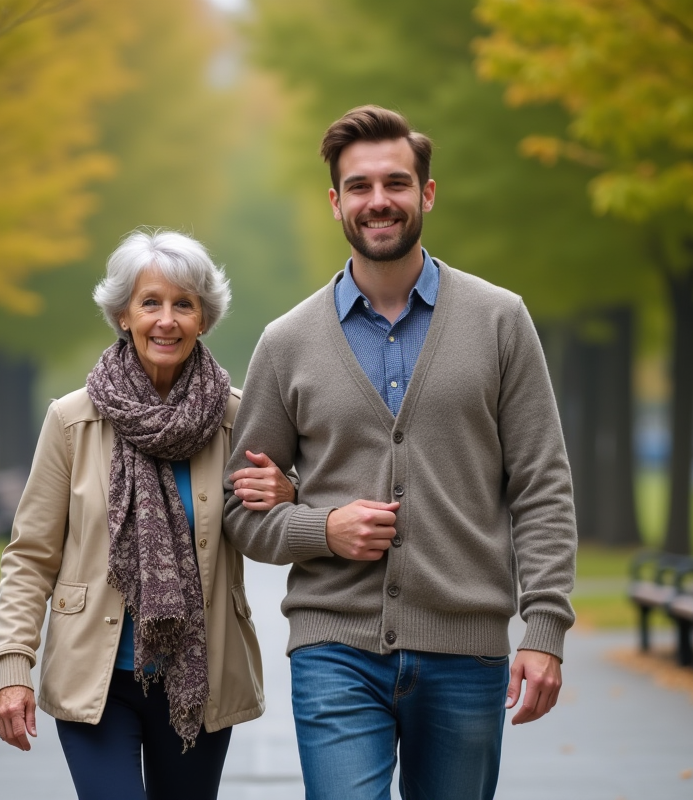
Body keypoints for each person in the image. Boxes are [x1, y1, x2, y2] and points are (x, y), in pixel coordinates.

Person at [223, 106, 578, 800]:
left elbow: (542, 485)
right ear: (335, 203)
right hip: (335, 647)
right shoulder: (287, 341)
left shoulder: (500, 320)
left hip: (465, 649)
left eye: (395, 182)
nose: (378, 201)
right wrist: (322, 529)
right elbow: (241, 511)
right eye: (358, 186)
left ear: (427, 193)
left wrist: (544, 627)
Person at [0, 229, 294, 800]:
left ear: (204, 318)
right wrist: (13, 668)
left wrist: (288, 494)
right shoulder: (72, 420)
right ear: (123, 315)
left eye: (184, 304)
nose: (167, 320)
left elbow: (271, 523)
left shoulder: (237, 417)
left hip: (201, 677)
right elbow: (30, 557)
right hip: (96, 677)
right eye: (150, 302)